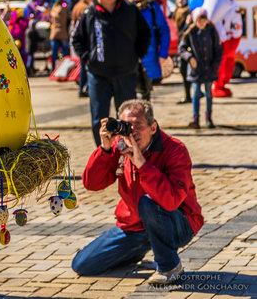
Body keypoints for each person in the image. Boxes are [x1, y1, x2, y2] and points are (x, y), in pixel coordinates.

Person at [72, 99, 203, 285]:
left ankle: (170, 267)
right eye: (126, 125)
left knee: (147, 202)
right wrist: (105, 149)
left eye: (138, 125)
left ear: (153, 127)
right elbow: (92, 184)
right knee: (83, 265)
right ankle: (137, 250)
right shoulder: (119, 145)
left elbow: (171, 200)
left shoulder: (175, 150)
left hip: (178, 223)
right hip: (135, 227)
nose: (132, 131)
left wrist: (142, 164)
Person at [72, 0, 150, 146]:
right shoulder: (89, 13)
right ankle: (104, 153)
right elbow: (77, 39)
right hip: (98, 75)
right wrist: (88, 59)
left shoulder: (130, 9)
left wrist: (137, 56)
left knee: (128, 117)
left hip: (126, 73)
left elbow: (145, 33)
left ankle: (127, 152)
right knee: (99, 119)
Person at [126, 0, 171, 100]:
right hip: (128, 57)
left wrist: (163, 53)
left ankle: (144, 118)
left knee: (144, 94)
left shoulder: (152, 8)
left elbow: (164, 31)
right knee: (128, 95)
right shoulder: (125, 8)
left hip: (148, 56)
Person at [178, 8, 223, 129]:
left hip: (209, 69)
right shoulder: (190, 32)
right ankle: (195, 119)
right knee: (196, 94)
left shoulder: (212, 31)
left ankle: (208, 118)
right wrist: (189, 57)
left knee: (208, 94)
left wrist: (215, 65)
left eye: (204, 20)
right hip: (196, 71)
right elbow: (181, 49)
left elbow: (218, 50)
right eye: (199, 20)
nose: (202, 23)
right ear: (195, 20)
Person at [70, 0, 94, 97]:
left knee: (83, 67)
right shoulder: (85, 7)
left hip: (80, 39)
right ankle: (85, 88)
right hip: (85, 41)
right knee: (86, 67)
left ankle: (82, 89)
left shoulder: (77, 5)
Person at [172, 0, 192, 104]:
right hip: (180, 44)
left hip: (187, 45)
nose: (180, 0)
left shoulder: (189, 12)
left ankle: (190, 95)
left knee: (186, 71)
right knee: (183, 71)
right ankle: (188, 95)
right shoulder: (176, 12)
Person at [49, 0, 70, 71]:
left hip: (54, 33)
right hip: (63, 33)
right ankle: (64, 67)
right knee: (65, 52)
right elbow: (68, 18)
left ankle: (54, 68)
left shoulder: (53, 10)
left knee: (54, 52)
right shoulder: (63, 9)